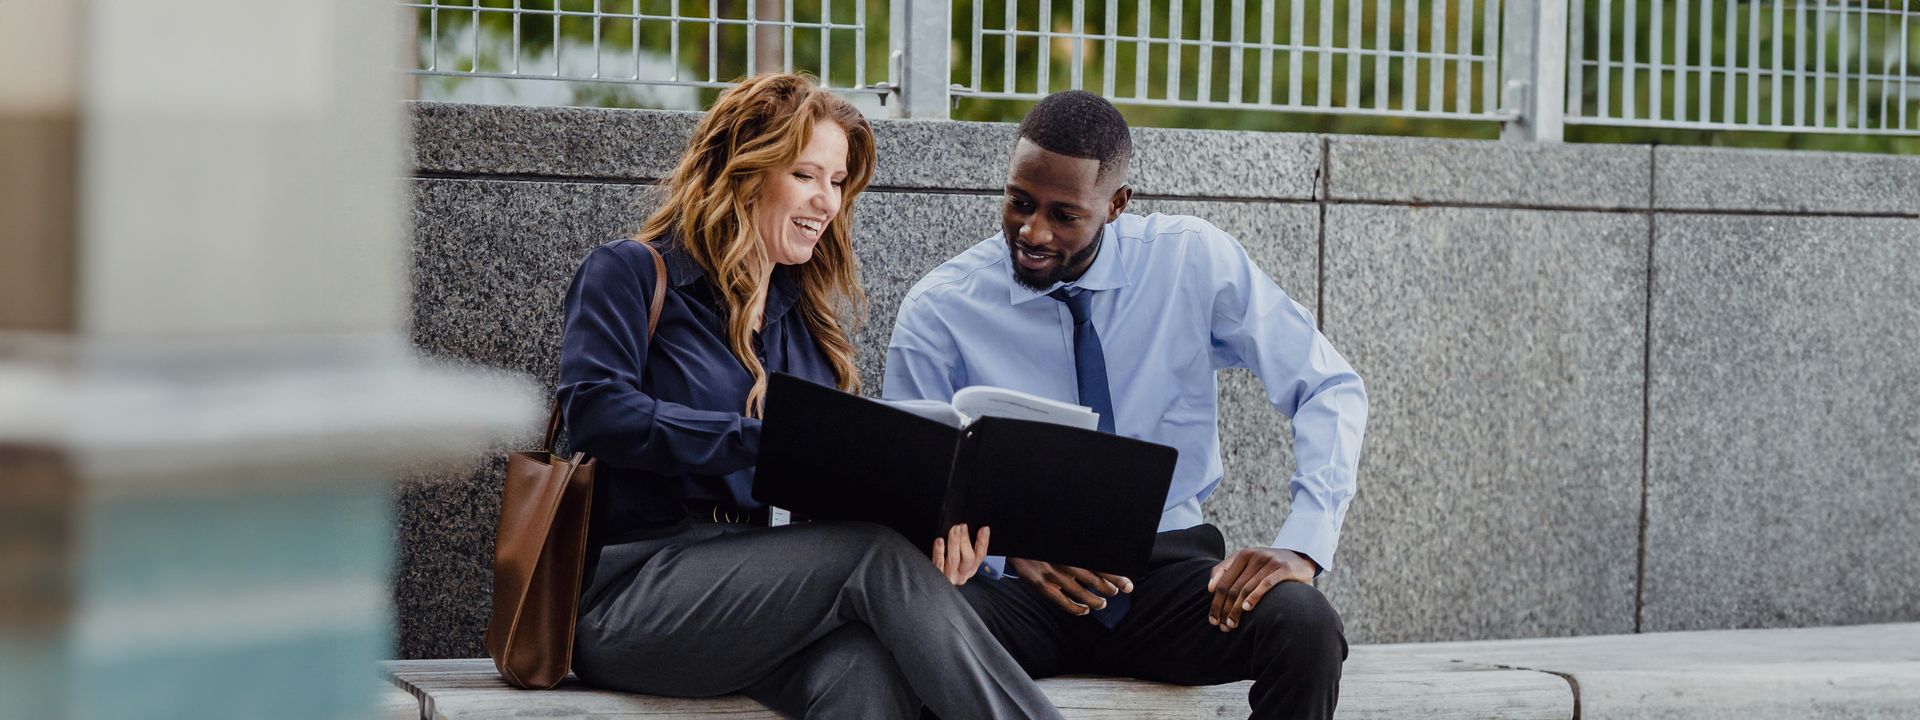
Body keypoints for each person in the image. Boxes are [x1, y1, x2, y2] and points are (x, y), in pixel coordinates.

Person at [556, 73, 1062, 720]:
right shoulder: (632, 273)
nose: (827, 201)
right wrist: (769, 442)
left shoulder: (805, 327)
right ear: (742, 172)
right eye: (806, 175)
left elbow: (821, 508)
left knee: (863, 668)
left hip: (768, 590)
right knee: (870, 561)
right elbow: (597, 413)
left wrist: (929, 525)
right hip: (634, 595)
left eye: (837, 181)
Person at [882, 90, 1367, 720]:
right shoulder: (939, 308)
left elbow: (1327, 385)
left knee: (1305, 626)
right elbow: (908, 480)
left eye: (1065, 215)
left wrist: (1303, 544)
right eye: (1019, 203)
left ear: (1115, 206)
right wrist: (1001, 542)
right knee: (903, 636)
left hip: (1166, 573)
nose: (1032, 231)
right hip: (1013, 588)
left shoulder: (1190, 260)